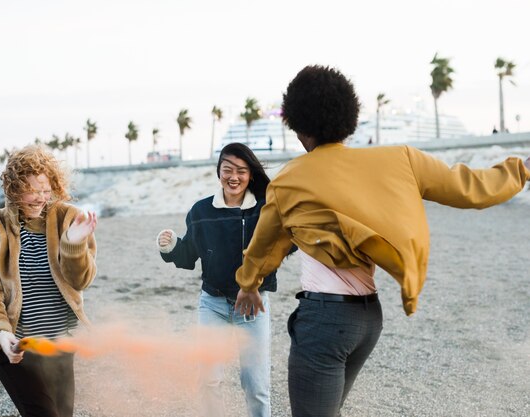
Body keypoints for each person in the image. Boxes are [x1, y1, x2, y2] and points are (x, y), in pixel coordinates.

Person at [234, 65, 530, 417]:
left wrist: (248, 285)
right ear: (350, 116)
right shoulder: (400, 159)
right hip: (368, 320)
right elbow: (467, 187)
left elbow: (264, 247)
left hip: (324, 322)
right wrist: (521, 170)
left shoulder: (288, 182)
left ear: (298, 129)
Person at [157, 142, 291, 417]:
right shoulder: (201, 211)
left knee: (255, 384)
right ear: (218, 171)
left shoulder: (267, 209)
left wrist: (254, 282)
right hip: (213, 304)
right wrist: (170, 247)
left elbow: (285, 246)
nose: (234, 177)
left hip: (254, 306)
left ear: (251, 174)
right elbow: (188, 256)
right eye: (227, 169)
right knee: (208, 380)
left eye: (241, 171)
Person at [0, 145, 97, 417]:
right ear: (14, 189)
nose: (40, 198)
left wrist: (73, 245)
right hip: (15, 347)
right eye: (32, 191)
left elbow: (81, 281)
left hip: (59, 345)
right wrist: (2, 334)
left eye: (45, 190)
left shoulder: (69, 219)